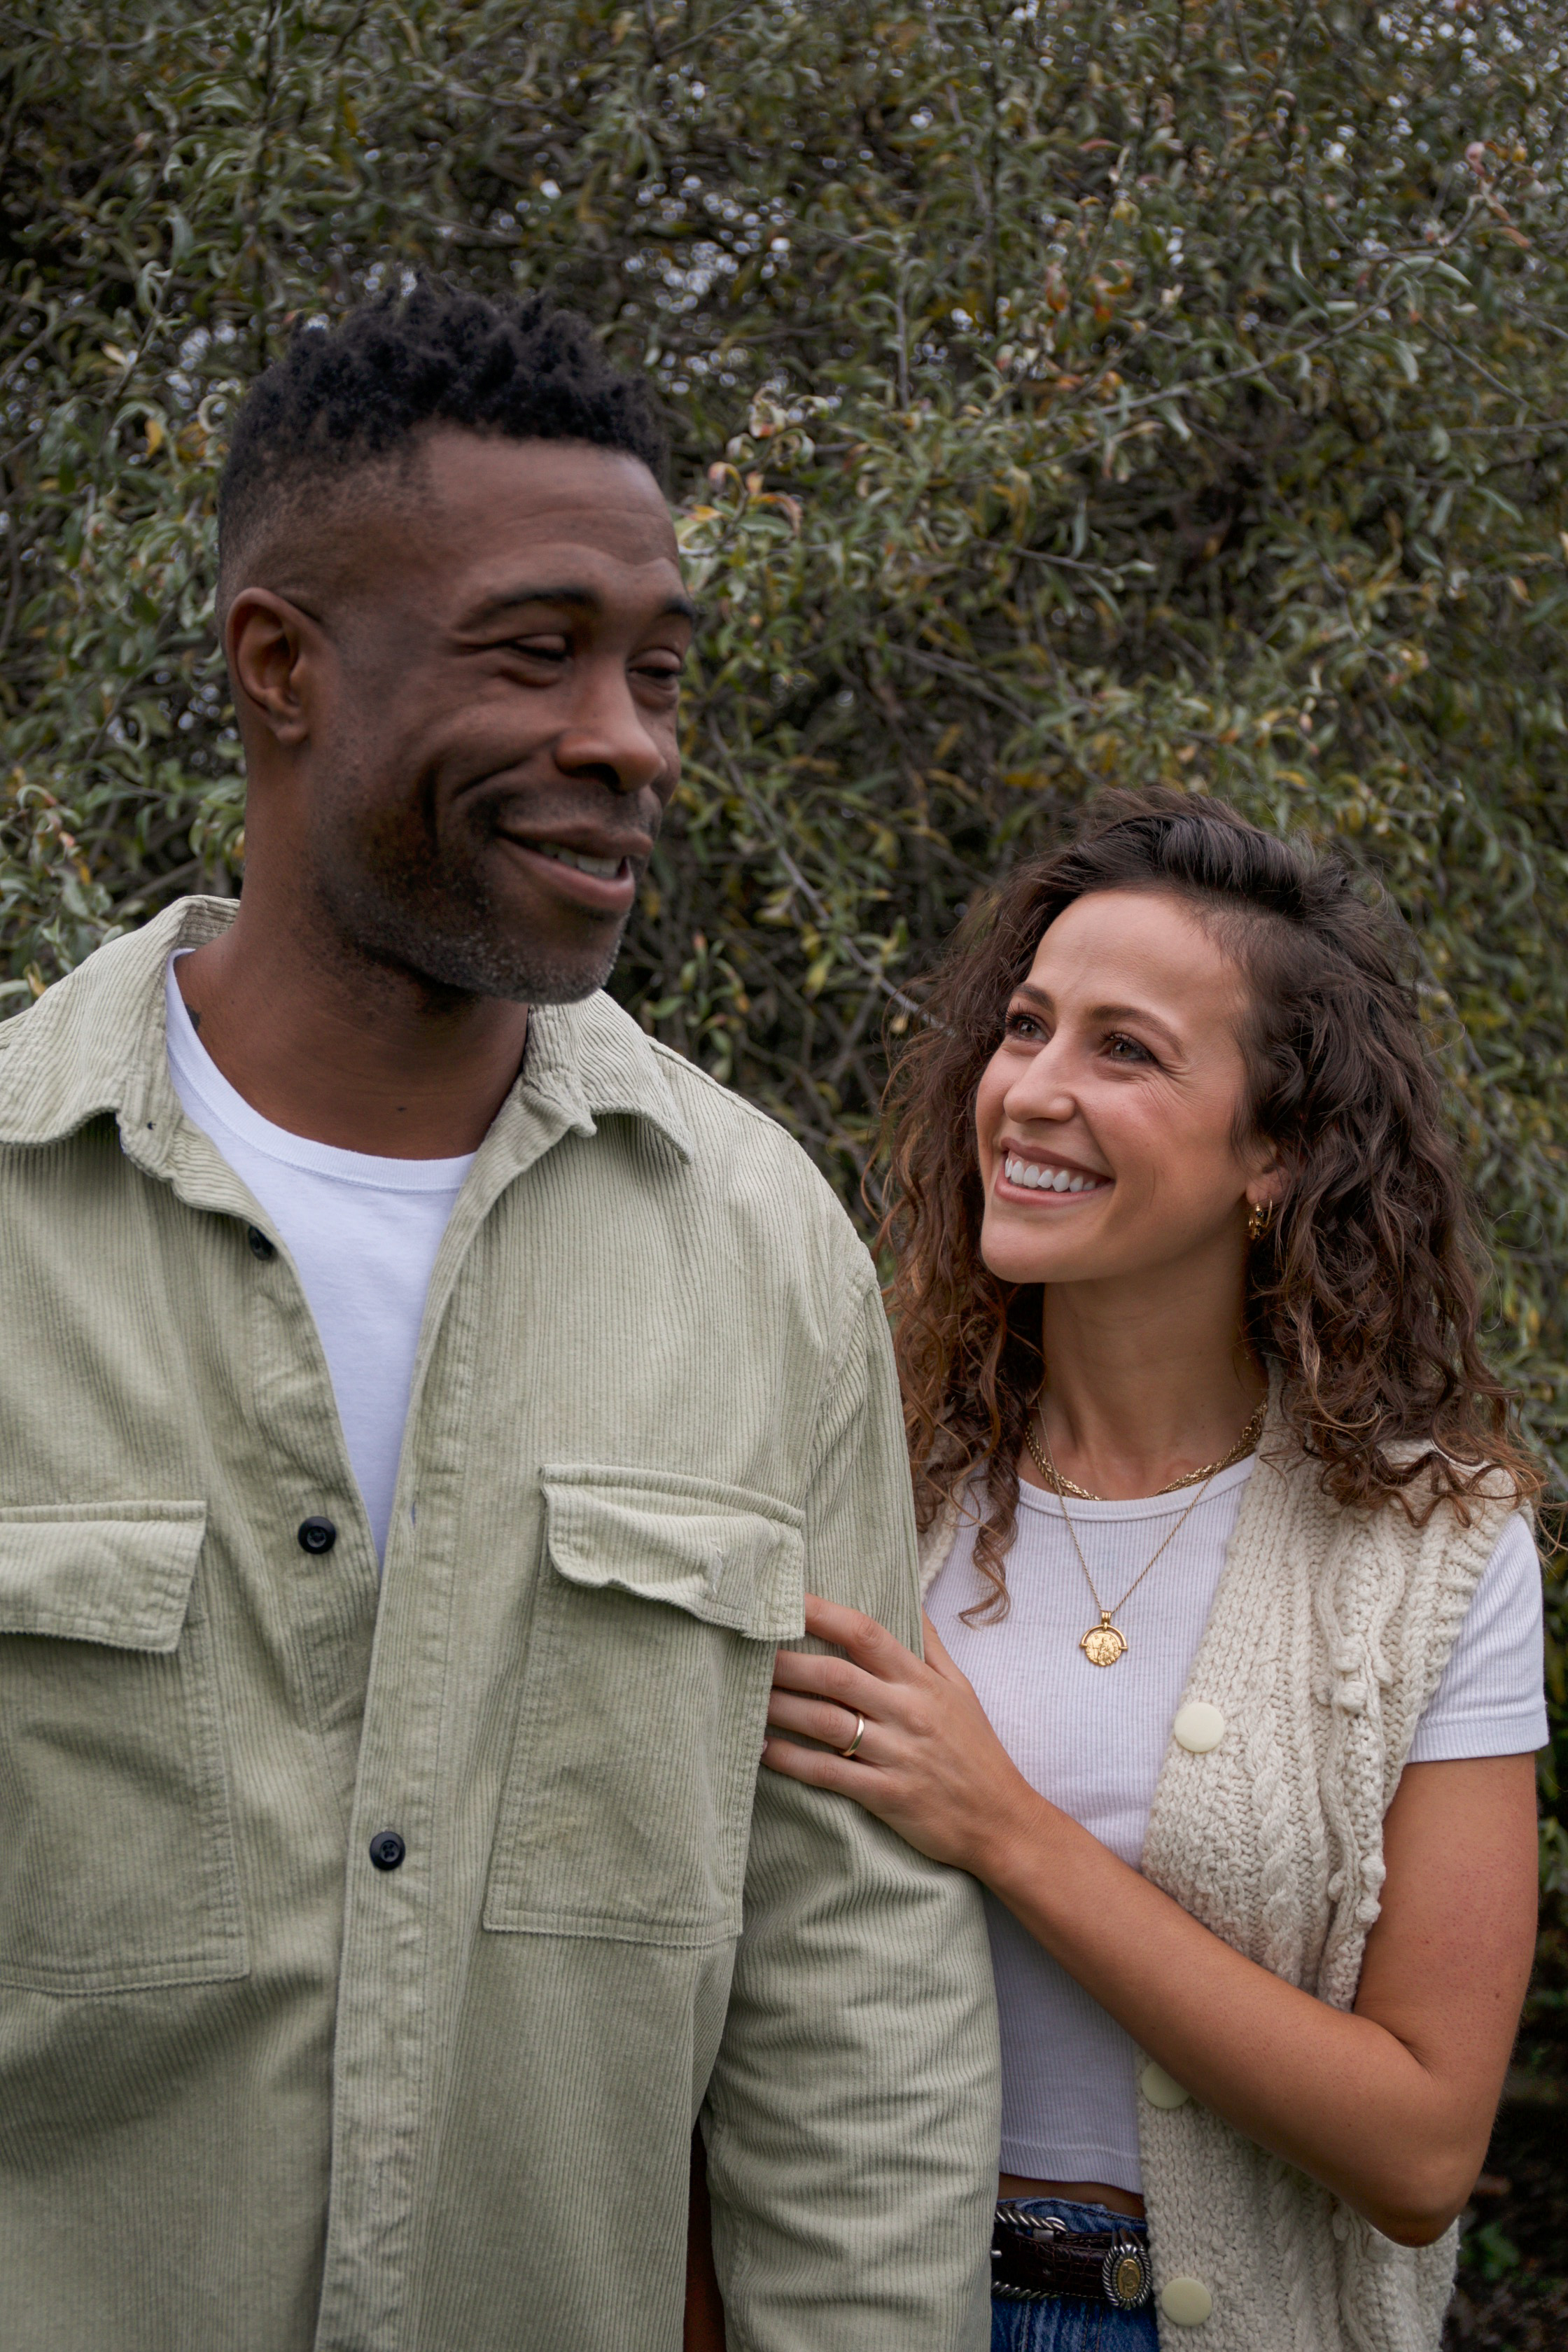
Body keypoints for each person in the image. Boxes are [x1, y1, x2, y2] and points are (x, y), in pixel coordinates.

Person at [0, 285, 1000, 2352]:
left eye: (656, 670)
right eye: (537, 651)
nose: (629, 739)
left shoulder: (759, 1253)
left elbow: (853, 1989)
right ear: (280, 665)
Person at [762, 790, 1546, 2352]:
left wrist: (1004, 1829)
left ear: (1278, 1153)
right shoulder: (856, 1479)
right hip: (860, 2308)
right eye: (1026, 1027)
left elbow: (1420, 2153)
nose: (1031, 1091)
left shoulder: (1432, 1552)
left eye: (1123, 1050)